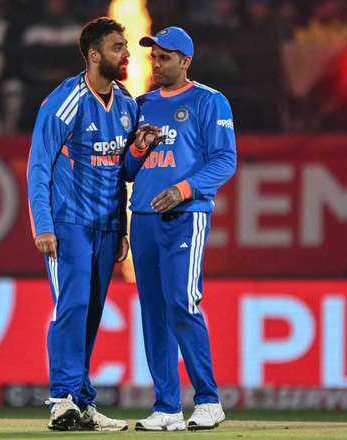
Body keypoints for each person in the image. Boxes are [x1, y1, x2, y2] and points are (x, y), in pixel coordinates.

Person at [27, 16, 160, 431]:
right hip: (68, 224)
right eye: (119, 47)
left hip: (105, 226)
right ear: (94, 54)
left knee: (91, 313)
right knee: (72, 306)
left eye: (126, 47)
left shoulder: (125, 104)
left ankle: (81, 403)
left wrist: (138, 150)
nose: (127, 55)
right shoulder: (64, 101)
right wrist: (43, 225)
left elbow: (122, 171)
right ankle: (61, 398)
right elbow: (38, 167)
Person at [126, 26, 237, 431]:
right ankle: (167, 407)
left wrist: (183, 189)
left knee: (182, 304)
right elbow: (126, 169)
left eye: (165, 57)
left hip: (185, 216)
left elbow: (225, 160)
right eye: (153, 56)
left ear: (185, 61)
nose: (156, 63)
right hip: (143, 217)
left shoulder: (209, 101)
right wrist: (139, 147)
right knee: (154, 313)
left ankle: (208, 401)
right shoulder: (142, 104)